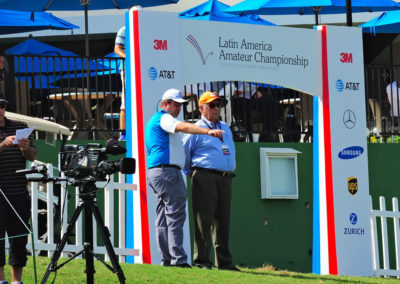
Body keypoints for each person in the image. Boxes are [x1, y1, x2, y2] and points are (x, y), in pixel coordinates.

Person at [145, 88, 223, 268]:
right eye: (176, 104)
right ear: (166, 104)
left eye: (181, 105)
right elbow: (183, 126)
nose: (179, 108)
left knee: (164, 218)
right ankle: (178, 260)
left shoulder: (156, 120)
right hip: (167, 172)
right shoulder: (164, 118)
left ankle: (168, 260)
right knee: (175, 216)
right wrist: (207, 132)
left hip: (159, 172)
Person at [182, 91, 239, 271]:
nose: (216, 108)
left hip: (225, 178)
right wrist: (194, 174)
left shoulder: (226, 127)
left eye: (219, 105)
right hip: (205, 176)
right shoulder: (196, 128)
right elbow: (185, 154)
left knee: (223, 221)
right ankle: (202, 261)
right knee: (203, 220)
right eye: (212, 105)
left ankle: (225, 263)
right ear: (201, 107)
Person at [0, 98, 37, 284]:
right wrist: (2, 144)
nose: (0, 109)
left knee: (19, 238)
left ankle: (17, 281)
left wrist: (26, 148)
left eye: (3, 106)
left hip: (19, 190)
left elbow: (33, 155)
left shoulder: (20, 126)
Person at [114, 5, 142, 141]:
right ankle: (123, 134)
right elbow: (117, 48)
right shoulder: (124, 29)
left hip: (143, 69)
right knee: (126, 101)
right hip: (127, 69)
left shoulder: (146, 29)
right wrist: (128, 57)